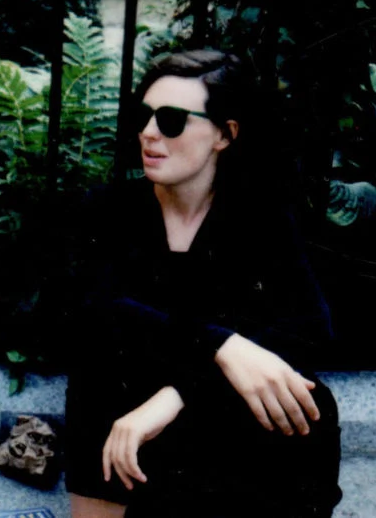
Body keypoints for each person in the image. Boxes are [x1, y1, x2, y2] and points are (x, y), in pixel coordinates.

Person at [64, 50, 343, 517]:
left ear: (224, 135)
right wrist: (220, 345)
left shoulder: (260, 219)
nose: (149, 132)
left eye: (171, 120)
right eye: (143, 116)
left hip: (210, 419)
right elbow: (93, 311)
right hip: (121, 410)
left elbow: (308, 331)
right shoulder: (107, 211)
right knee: (104, 371)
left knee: (301, 396)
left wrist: (179, 394)